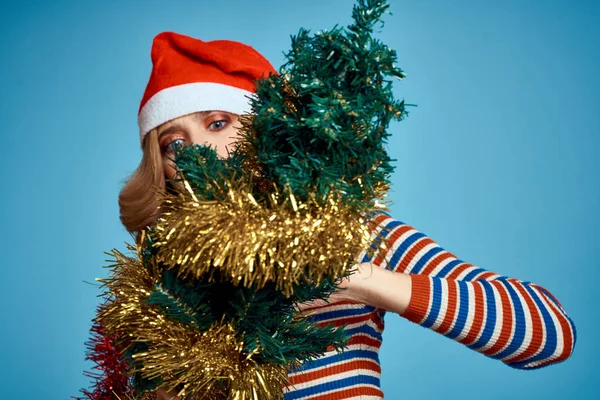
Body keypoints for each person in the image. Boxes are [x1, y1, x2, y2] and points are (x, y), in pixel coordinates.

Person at [119, 31, 576, 400]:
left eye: (218, 123)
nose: (198, 151)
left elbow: (548, 335)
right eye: (173, 144)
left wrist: (355, 278)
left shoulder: (351, 233)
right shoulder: (161, 280)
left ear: (270, 130)